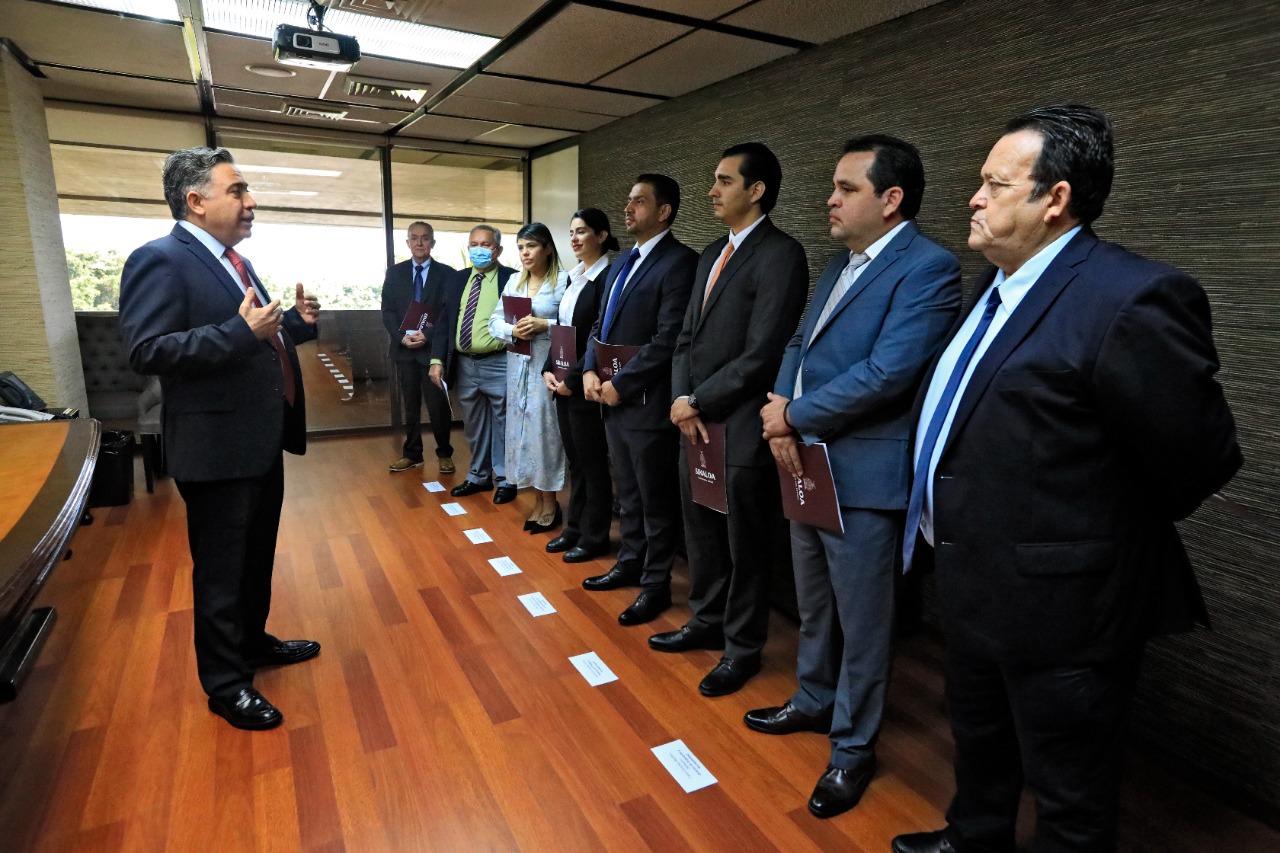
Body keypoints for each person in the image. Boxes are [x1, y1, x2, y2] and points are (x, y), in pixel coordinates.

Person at [891, 105, 1241, 853]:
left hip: (1065, 607)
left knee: (1069, 789)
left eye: (994, 184)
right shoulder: (993, 286)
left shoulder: (1130, 296)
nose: (974, 198)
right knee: (980, 737)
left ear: (1055, 198)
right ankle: (974, 837)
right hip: (971, 577)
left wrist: (1086, 535)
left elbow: (1201, 456)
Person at [743, 135, 962, 818]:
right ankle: (813, 698)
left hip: (864, 473)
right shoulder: (839, 263)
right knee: (814, 602)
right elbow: (798, 343)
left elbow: (888, 372)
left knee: (865, 622)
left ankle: (853, 747)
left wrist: (793, 415)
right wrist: (782, 412)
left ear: (891, 199)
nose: (829, 200)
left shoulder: (929, 268)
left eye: (846, 189)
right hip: (803, 459)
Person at [118, 147, 322, 730]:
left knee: (255, 557)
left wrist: (295, 325)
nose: (251, 201)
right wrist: (240, 331)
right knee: (221, 570)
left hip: (258, 438)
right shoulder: (158, 259)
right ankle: (226, 685)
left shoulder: (235, 260)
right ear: (196, 200)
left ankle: (252, 643)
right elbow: (146, 350)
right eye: (237, 190)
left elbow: (257, 338)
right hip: (215, 448)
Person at [656, 142, 808, 697]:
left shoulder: (781, 254)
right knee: (701, 530)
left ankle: (742, 647)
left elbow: (763, 352)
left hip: (740, 423)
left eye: (724, 181)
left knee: (745, 542)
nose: (712, 191)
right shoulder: (710, 254)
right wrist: (682, 400)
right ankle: (706, 620)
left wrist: (699, 401)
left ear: (756, 190)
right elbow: (685, 338)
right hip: (693, 421)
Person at [581, 174, 698, 625]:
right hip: (611, 400)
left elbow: (668, 338)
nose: (628, 208)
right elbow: (599, 325)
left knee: (654, 500)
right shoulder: (621, 263)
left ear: (664, 211)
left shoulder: (680, 262)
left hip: (647, 402)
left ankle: (655, 585)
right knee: (627, 493)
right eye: (628, 200)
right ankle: (629, 563)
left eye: (639, 202)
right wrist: (589, 369)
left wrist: (622, 383)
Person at [542, 208, 618, 563]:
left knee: (593, 464)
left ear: (601, 236)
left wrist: (571, 379)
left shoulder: (607, 279)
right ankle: (574, 529)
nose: (574, 238)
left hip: (586, 383)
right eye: (571, 232)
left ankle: (594, 535)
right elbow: (562, 330)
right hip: (562, 382)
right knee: (575, 462)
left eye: (582, 231)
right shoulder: (574, 278)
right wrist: (548, 369)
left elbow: (596, 336)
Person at [488, 222, 568, 531]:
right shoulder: (514, 281)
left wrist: (545, 324)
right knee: (521, 433)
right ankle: (537, 499)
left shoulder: (563, 281)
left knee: (544, 434)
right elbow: (494, 322)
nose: (525, 253)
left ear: (547, 248)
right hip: (517, 366)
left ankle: (551, 502)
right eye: (521, 247)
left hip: (546, 367)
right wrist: (513, 329)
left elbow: (575, 321)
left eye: (531, 246)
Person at [432, 225, 518, 504]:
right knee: (474, 423)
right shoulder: (456, 280)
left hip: (499, 362)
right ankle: (479, 476)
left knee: (504, 421)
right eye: (474, 244)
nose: (478, 249)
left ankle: (505, 478)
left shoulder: (512, 279)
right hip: (465, 364)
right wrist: (436, 360)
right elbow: (445, 321)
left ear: (498, 250)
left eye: (485, 244)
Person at [381, 220, 458, 475]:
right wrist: (400, 336)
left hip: (432, 351)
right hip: (404, 350)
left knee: (438, 406)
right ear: (407, 243)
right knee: (410, 405)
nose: (419, 242)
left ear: (432, 242)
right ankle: (412, 454)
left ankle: (444, 453)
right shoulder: (395, 273)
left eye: (425, 238)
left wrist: (429, 334)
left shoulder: (447, 274)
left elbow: (449, 313)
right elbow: (388, 311)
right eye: (414, 238)